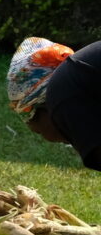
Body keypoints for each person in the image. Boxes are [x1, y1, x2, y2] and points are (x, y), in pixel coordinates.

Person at [10, 37, 101, 171]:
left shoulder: (64, 97)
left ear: (44, 107)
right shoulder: (81, 78)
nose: (48, 140)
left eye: (39, 132)